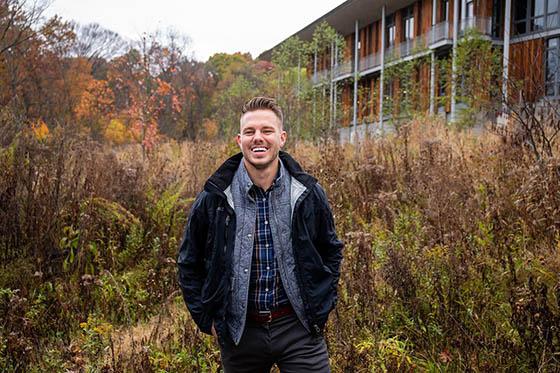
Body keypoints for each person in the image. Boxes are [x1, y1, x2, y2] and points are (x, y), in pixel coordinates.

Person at [177, 97, 343, 372]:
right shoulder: (215, 197)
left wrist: (322, 305)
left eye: (267, 130)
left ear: (282, 137)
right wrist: (207, 320)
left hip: (299, 328)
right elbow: (188, 262)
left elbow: (331, 250)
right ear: (238, 139)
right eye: (250, 132)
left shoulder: (307, 193)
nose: (258, 138)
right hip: (241, 333)